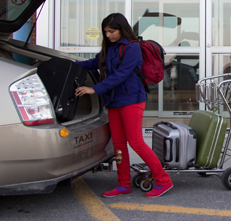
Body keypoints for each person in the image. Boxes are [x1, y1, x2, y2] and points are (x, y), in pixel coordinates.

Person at [74, 13, 173, 198]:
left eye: (112, 31)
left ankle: (163, 180)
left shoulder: (132, 47)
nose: (108, 35)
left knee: (135, 142)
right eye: (106, 32)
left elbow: (121, 75)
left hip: (132, 100)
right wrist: (70, 65)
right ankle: (123, 184)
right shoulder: (109, 48)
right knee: (119, 144)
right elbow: (94, 63)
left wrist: (93, 89)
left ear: (122, 29)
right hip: (114, 101)